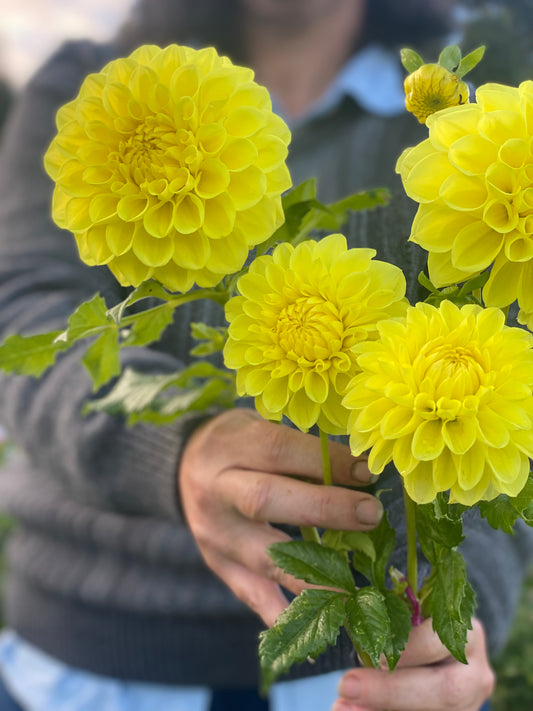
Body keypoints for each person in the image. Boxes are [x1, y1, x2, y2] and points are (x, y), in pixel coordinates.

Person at [0, 1, 529, 709]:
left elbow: (513, 397)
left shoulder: (476, 98)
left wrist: (452, 630)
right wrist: (174, 448)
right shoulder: (83, 82)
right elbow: (23, 324)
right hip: (94, 659)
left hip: (368, 670)